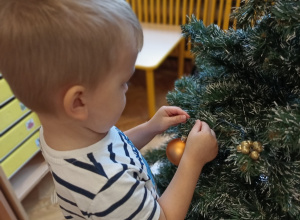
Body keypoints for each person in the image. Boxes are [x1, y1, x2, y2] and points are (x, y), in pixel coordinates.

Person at [0, 0, 218, 219]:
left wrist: (150, 127)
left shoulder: (66, 134)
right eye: (123, 83)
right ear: (78, 102)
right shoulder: (106, 185)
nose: (128, 88)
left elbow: (114, 149)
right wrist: (192, 160)